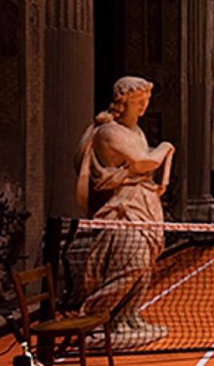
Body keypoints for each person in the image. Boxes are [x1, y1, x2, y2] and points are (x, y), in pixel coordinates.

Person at [74, 76, 174, 345]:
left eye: (146, 102)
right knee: (131, 265)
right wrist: (166, 147)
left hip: (144, 204)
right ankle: (94, 317)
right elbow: (144, 162)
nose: (143, 107)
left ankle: (125, 317)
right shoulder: (110, 132)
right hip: (124, 209)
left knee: (146, 268)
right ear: (123, 102)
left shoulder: (136, 132)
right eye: (139, 102)